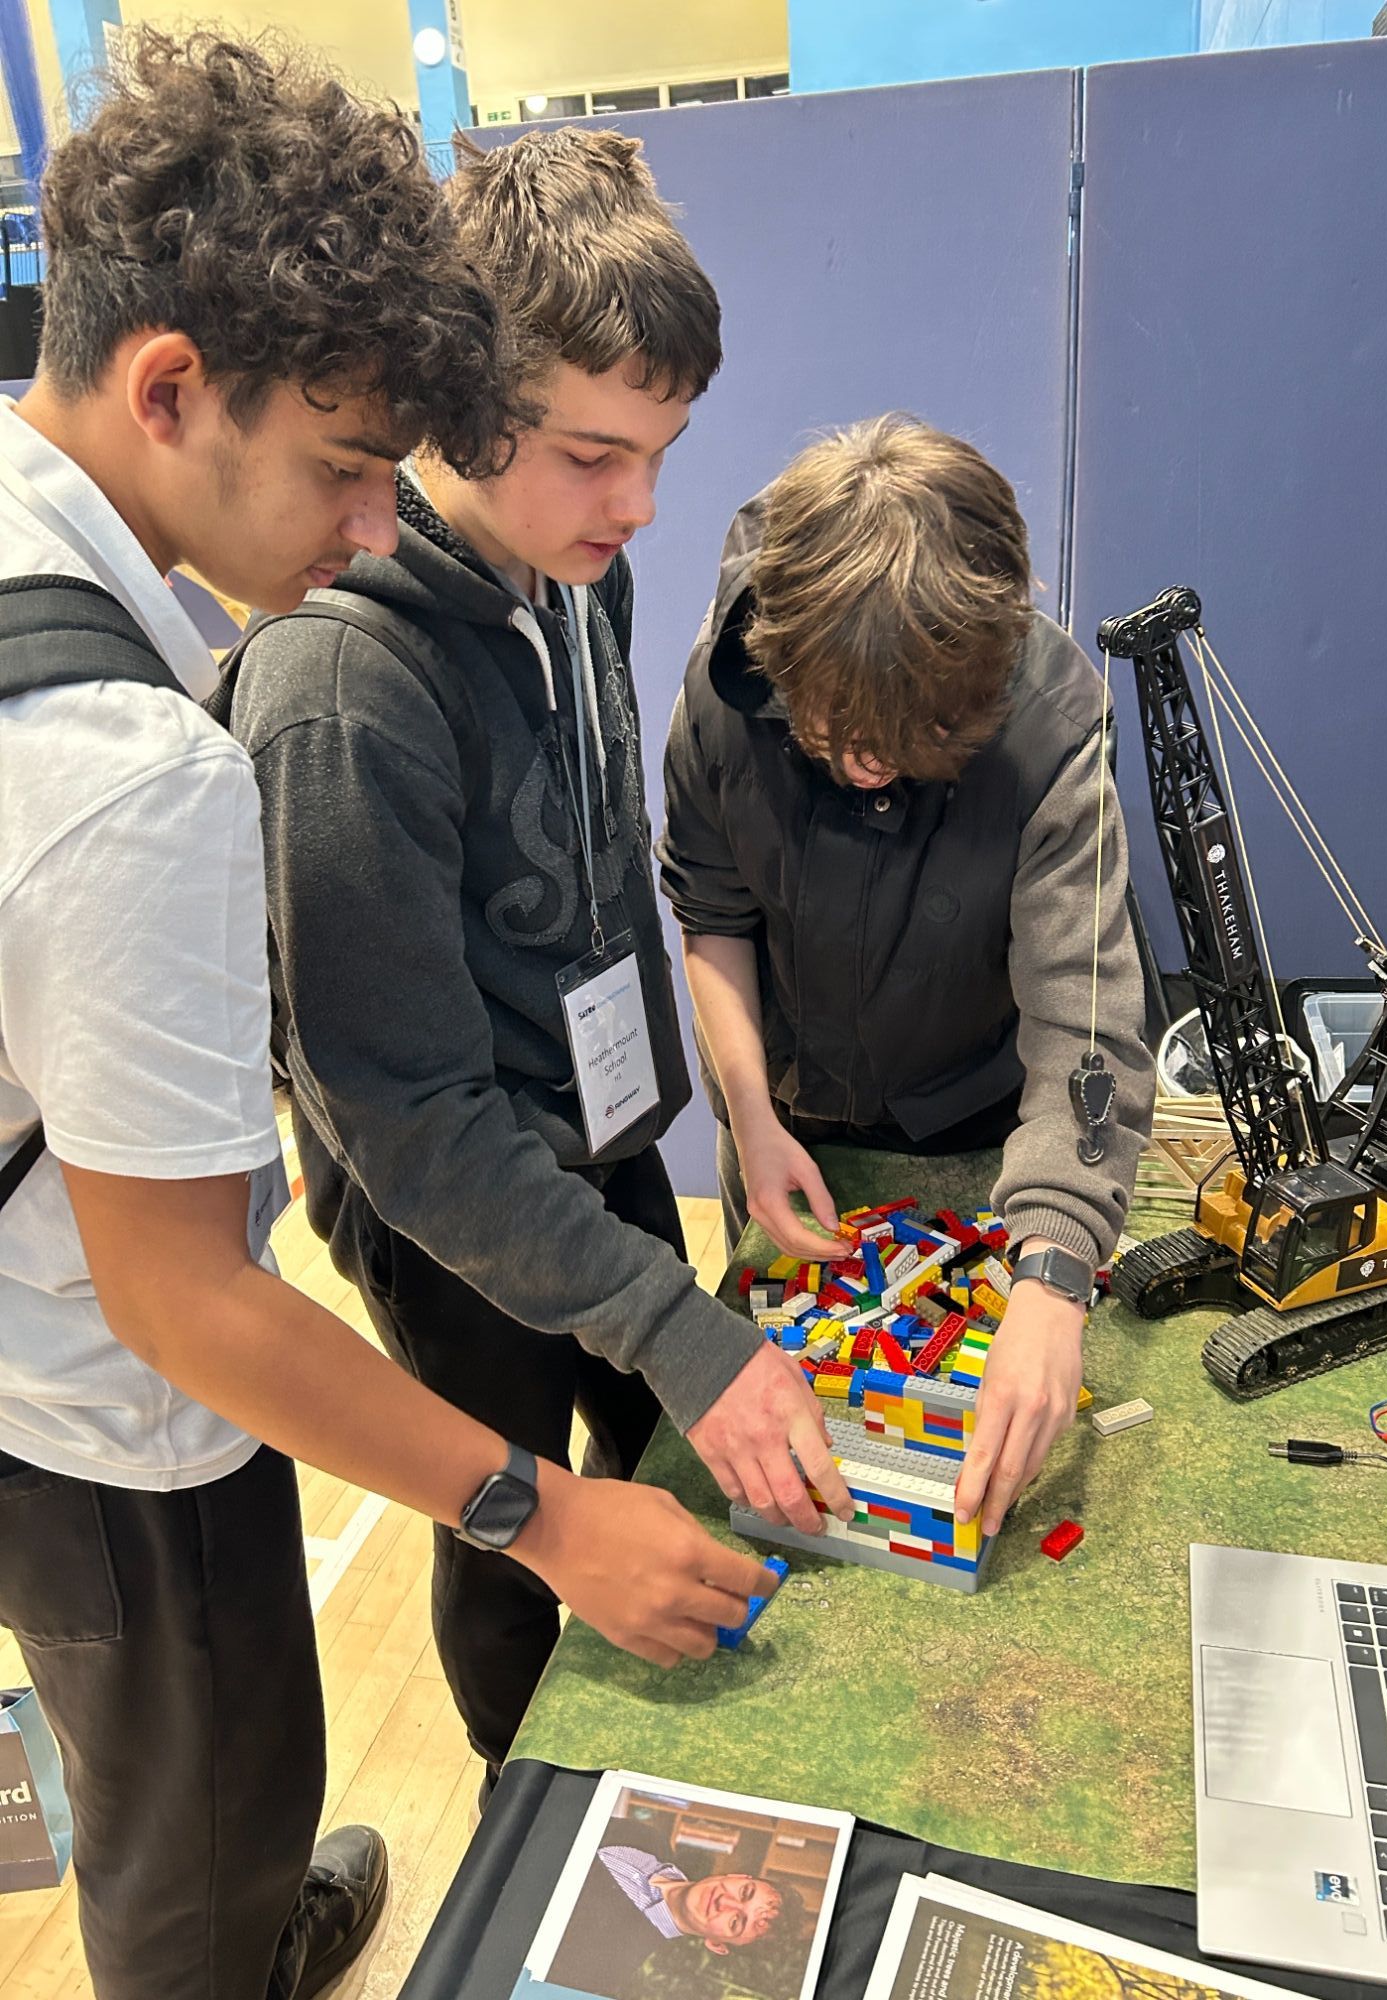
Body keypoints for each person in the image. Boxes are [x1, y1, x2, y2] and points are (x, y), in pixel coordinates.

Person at [0, 37, 772, 2000]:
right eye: (352, 466)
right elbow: (191, 1288)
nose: (365, 526)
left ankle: (257, 1916)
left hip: (127, 1336)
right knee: (193, 1811)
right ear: (173, 387)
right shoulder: (170, 747)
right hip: (100, 1407)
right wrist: (533, 1513)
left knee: (226, 1797)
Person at [221, 125, 854, 1784]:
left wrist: (722, 1113)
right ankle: (525, 1806)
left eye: (661, 449)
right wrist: (681, 1327)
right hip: (449, 1203)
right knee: (512, 1524)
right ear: (456, 406)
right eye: (592, 453)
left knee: (673, 1455)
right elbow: (412, 1120)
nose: (639, 504)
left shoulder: (586, 574)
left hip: (603, 1132)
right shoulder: (339, 685)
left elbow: (603, 879)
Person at [658, 415, 1155, 1543]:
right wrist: (750, 1112)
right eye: (838, 734)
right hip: (784, 1126)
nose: (872, 766)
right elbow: (712, 914)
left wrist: (1056, 1269)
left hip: (984, 1139)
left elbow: (1085, 1018)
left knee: (990, 1396)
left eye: (913, 740)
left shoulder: (1050, 717)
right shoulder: (722, 694)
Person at [548, 1844, 798, 1995]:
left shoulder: (607, 1967)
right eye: (745, 1892)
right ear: (738, 1875)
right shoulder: (647, 1837)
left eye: (736, 1922)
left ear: (716, 1944)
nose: (726, 1902)